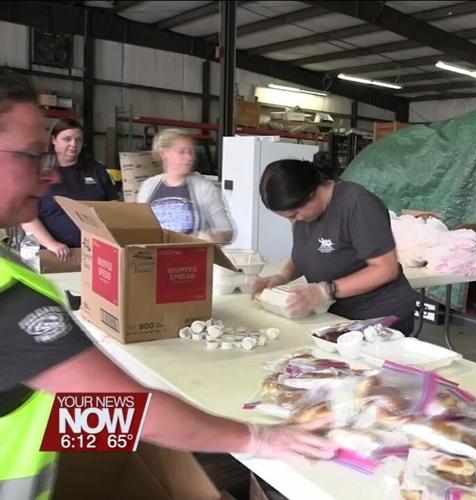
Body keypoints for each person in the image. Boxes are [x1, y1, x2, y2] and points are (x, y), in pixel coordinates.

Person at [0, 71, 335, 500]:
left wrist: (161, 430)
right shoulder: (9, 298)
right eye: (32, 155)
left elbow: (53, 411)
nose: (48, 177)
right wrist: (257, 440)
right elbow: (128, 412)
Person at [251, 154, 417, 334]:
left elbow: (385, 269)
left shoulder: (358, 205)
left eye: (294, 215)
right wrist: (283, 277)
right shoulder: (305, 216)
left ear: (311, 194)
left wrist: (326, 291)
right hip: (336, 315)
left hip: (377, 315)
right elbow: (306, 252)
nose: (293, 221)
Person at [20, 119, 118, 261]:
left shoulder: (96, 169)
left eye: (78, 140)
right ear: (54, 140)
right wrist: (52, 244)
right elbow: (26, 216)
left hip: (95, 253)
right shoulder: (38, 170)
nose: (73, 144)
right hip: (53, 255)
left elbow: (114, 207)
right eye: (67, 139)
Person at [136, 129, 233, 243]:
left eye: (191, 152)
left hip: (191, 257)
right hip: (155, 257)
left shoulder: (204, 188)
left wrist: (208, 239)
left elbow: (226, 231)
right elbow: (139, 227)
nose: (188, 158)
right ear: (163, 153)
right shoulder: (148, 187)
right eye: (182, 152)